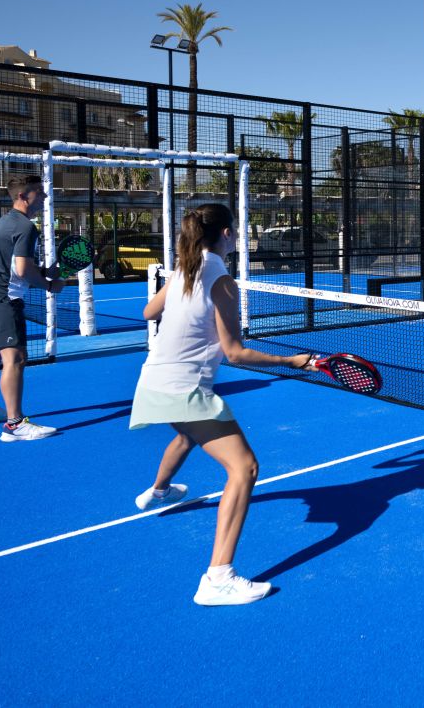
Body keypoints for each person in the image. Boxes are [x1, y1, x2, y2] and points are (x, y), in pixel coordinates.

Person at [130, 203, 314, 606]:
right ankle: (218, 578)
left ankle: (158, 492)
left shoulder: (183, 270)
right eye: (237, 230)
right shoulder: (222, 280)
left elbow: (148, 311)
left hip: (153, 382)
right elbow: (234, 353)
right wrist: (291, 360)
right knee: (244, 468)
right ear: (227, 235)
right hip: (185, 386)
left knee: (187, 435)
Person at [0, 175, 65, 440]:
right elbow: (23, 271)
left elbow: (18, 266)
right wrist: (49, 286)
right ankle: (14, 425)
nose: (44, 197)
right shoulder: (25, 226)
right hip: (3, 298)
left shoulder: (5, 222)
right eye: (39, 192)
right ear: (23, 196)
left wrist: (46, 272)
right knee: (15, 359)